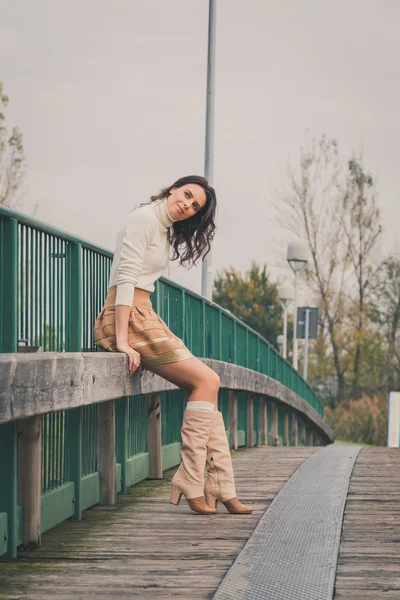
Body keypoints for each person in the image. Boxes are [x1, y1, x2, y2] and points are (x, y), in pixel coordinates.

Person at [94, 175, 252, 516]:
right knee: (207, 380)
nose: (188, 205)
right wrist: (121, 338)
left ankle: (219, 486)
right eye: (187, 195)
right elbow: (125, 278)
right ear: (172, 189)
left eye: (195, 206)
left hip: (143, 312)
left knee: (207, 384)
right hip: (128, 315)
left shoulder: (160, 225)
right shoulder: (144, 219)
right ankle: (197, 481)